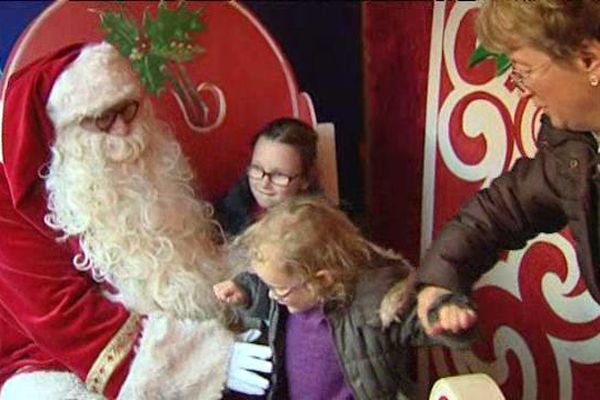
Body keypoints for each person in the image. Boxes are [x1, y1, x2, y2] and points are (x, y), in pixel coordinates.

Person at [0, 42, 272, 399]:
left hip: (163, 329)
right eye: (103, 118)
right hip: (49, 360)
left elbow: (187, 267)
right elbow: (65, 318)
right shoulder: (11, 207)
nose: (124, 128)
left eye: (127, 109)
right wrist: (207, 359)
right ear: (61, 130)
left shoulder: (151, 162)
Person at [416, 0, 600, 337]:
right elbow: (500, 210)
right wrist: (440, 282)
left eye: (525, 70)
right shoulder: (574, 147)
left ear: (588, 58)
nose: (524, 88)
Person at [221, 195, 475, 400]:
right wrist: (245, 291)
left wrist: (445, 314)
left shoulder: (377, 301)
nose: (273, 295)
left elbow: (417, 319)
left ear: (321, 280)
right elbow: (265, 290)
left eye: (279, 289)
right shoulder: (291, 297)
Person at [213, 117, 319, 312]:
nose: (264, 182)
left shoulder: (312, 231)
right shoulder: (232, 207)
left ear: (305, 180)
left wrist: (246, 293)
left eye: (279, 175)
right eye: (257, 169)